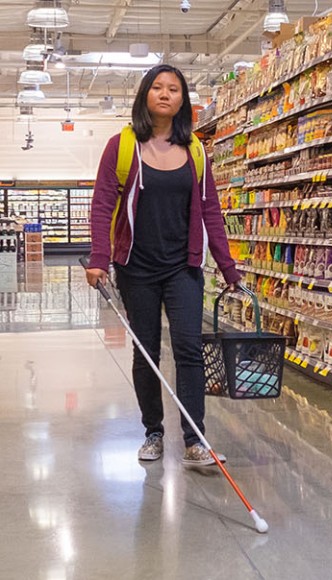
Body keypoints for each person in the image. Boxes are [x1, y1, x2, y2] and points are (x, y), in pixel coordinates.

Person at [86, 64, 241, 466]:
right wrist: (100, 258)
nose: (166, 94)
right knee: (147, 352)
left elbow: (211, 211)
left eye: (175, 89)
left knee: (189, 348)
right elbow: (102, 205)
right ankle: (153, 432)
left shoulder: (195, 150)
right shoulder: (121, 146)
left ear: (183, 100)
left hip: (183, 266)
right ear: (145, 95)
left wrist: (229, 268)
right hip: (135, 266)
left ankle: (195, 440)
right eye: (157, 87)